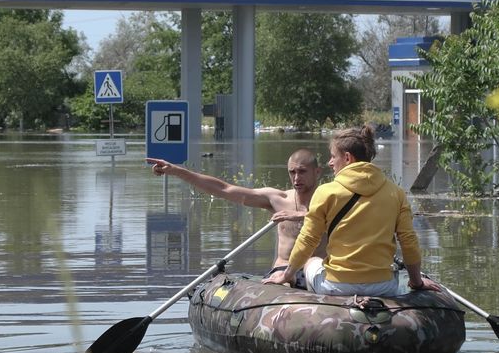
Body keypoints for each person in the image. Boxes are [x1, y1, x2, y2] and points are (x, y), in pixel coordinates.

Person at [268, 124, 436, 297]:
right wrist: (417, 282)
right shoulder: (396, 193)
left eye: (333, 156)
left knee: (312, 261)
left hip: (337, 286)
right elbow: (408, 241)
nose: (330, 162)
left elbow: (308, 240)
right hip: (384, 287)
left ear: (347, 158)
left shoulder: (326, 192)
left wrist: (287, 275)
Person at [151, 149, 321, 275]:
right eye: (292, 172)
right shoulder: (278, 199)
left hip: (317, 269)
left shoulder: (333, 200)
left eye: (302, 171)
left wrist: (301, 215)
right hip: (283, 269)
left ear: (317, 172)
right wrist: (177, 171)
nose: (297, 178)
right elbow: (224, 189)